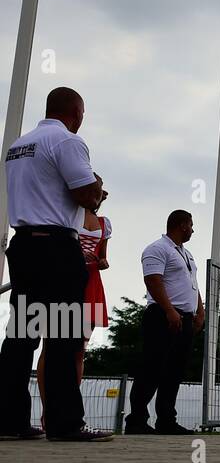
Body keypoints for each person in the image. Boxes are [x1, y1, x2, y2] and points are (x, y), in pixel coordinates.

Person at [0, 87, 110, 441]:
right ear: (76, 113)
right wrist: (97, 187)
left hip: (23, 246)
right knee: (63, 336)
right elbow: (85, 194)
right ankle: (64, 424)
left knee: (21, 335)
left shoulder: (19, 145)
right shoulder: (67, 142)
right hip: (56, 247)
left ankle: (9, 420)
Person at [36, 176, 111, 426]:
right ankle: (48, 410)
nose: (97, 193)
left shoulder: (104, 223)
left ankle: (67, 408)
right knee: (52, 345)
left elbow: (103, 258)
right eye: (93, 189)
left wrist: (100, 261)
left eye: (99, 190)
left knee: (79, 351)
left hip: (89, 282)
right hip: (64, 278)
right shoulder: (67, 215)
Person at [125, 210, 204, 435]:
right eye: (190, 225)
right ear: (181, 225)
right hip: (162, 316)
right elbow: (153, 280)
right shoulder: (157, 249)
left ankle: (166, 419)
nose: (192, 229)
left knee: (175, 371)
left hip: (185, 318)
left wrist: (200, 311)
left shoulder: (187, 254)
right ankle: (137, 420)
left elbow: (193, 283)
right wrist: (169, 309)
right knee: (152, 368)